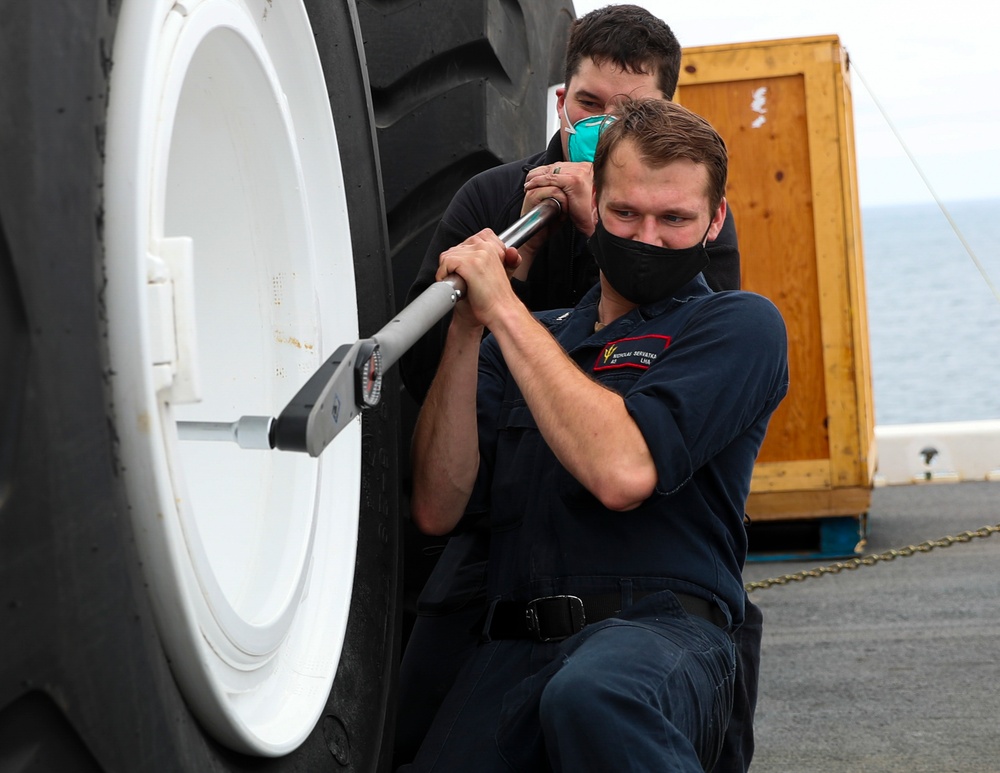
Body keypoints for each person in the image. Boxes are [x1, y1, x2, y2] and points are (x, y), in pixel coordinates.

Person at [395, 7, 759, 771]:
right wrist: (469, 329)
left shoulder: (740, 324)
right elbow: (438, 496)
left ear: (712, 218)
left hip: (655, 619)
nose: (648, 233)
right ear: (561, 99)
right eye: (627, 213)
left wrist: (574, 244)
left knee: (597, 698)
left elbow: (625, 466)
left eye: (672, 218)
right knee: (414, 731)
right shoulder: (493, 206)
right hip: (513, 590)